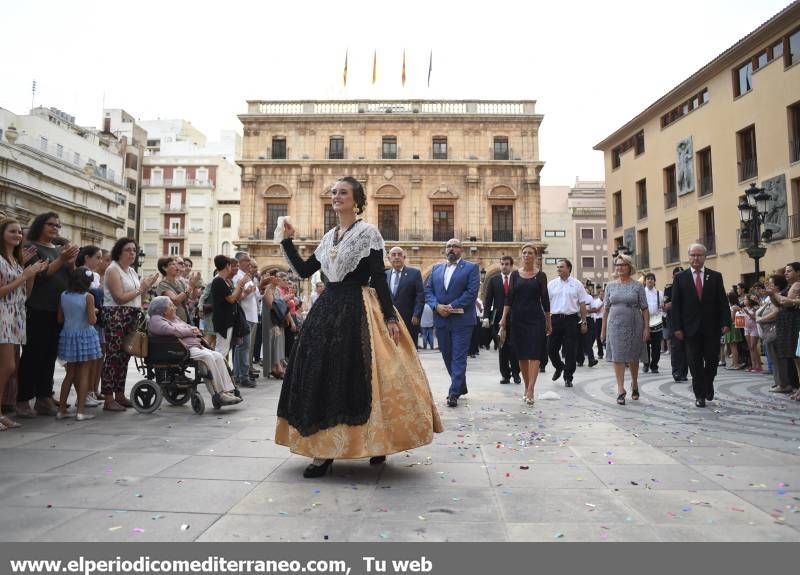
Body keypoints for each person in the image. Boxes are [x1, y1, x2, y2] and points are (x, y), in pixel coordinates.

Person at [276, 176, 442, 478]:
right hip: (327, 310)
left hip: (358, 308)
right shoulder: (328, 237)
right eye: (334, 192)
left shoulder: (369, 233)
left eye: (343, 192)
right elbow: (303, 271)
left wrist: (390, 317)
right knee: (322, 373)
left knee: (362, 374)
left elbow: (378, 277)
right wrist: (286, 240)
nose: (336, 196)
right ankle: (322, 450)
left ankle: (377, 442)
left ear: (356, 200)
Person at [17, 212, 80, 418]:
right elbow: (42, 275)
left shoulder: (56, 249)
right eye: (50, 224)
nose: (55, 228)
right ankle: (23, 399)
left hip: (58, 310)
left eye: (58, 226)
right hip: (38, 307)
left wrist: (70, 264)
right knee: (33, 355)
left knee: (49, 355)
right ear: (40, 226)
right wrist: (62, 258)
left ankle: (44, 397)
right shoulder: (30, 247)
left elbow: (70, 278)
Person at [147, 296, 242, 406]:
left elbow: (188, 328)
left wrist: (192, 330)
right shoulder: (156, 320)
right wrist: (190, 331)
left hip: (192, 347)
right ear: (162, 310)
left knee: (218, 356)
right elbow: (174, 331)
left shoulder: (174, 318)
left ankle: (227, 390)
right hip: (180, 350)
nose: (174, 307)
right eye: (171, 305)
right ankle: (218, 394)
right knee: (207, 357)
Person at [0, 219, 48, 430]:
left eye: (20, 232)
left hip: (16, 315)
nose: (18, 235)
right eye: (13, 231)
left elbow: (25, 294)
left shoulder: (15, 260)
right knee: (7, 367)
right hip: (3, 314)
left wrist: (31, 276)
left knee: (11, 369)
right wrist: (24, 275)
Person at [102, 238, 159, 411]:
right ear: (119, 251)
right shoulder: (113, 269)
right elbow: (119, 297)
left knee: (125, 356)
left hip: (131, 314)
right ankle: (108, 397)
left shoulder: (132, 271)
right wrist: (141, 289)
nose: (132, 253)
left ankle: (120, 394)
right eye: (128, 250)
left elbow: (136, 296)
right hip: (116, 315)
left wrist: (145, 288)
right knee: (113, 356)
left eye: (134, 250)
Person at [670, 243, 731, 408]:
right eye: (693, 255)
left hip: (712, 328)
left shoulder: (715, 276)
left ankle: (708, 382)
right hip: (690, 330)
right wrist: (676, 328)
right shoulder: (680, 278)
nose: (696, 258)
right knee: (694, 363)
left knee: (712, 360)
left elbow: (722, 302)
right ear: (689, 257)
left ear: (705, 257)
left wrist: (726, 322)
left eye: (699, 255)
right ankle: (700, 395)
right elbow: (675, 306)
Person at [425, 238, 480, 407]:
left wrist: (451, 306)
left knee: (458, 357)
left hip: (462, 321)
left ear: (461, 250)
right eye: (448, 246)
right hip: (441, 320)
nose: (451, 249)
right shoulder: (436, 269)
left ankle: (453, 393)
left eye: (455, 246)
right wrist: (436, 306)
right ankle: (460, 385)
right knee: (447, 355)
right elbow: (428, 291)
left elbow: (471, 292)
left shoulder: (471, 268)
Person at [498, 244, 551, 405]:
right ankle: (527, 386)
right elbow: (509, 299)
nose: (527, 255)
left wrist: (548, 322)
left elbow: (545, 300)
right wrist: (503, 319)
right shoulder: (515, 275)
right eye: (525, 253)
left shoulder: (541, 275)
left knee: (535, 353)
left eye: (530, 253)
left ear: (535, 256)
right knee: (521, 354)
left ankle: (531, 390)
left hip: (536, 318)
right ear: (521, 256)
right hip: (518, 318)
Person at [601, 255, 649, 405]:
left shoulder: (638, 286)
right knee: (618, 356)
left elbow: (645, 308)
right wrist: (603, 331)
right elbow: (606, 310)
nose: (620, 267)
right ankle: (621, 389)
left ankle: (634, 383)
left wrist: (646, 327)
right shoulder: (610, 286)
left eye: (623, 265)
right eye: (617, 265)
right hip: (615, 324)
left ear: (629, 267)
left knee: (633, 357)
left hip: (635, 323)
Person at [56, 267, 102, 420]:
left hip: (68, 336)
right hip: (85, 337)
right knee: (84, 374)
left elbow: (60, 319)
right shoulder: (88, 297)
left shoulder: (63, 295)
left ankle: (61, 410)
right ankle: (80, 411)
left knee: (69, 374)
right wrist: (94, 312)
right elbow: (91, 320)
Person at [547, 259, 589, 388]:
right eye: (558, 267)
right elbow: (546, 305)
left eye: (561, 267)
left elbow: (582, 304)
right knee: (551, 348)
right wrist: (546, 321)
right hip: (555, 319)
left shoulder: (577, 285)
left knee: (571, 350)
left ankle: (568, 377)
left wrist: (584, 322)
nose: (558, 269)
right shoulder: (551, 284)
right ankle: (559, 366)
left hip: (571, 320)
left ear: (569, 269)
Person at [483, 256, 521, 385]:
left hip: (515, 317)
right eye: (502, 264)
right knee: (502, 347)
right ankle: (505, 375)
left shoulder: (517, 279)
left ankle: (516, 373)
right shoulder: (494, 280)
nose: (504, 266)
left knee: (515, 347)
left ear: (511, 265)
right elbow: (488, 301)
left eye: (506, 264)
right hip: (499, 319)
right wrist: (486, 317)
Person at [76, 245, 105, 407]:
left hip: (95, 319)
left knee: (94, 358)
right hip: (86, 320)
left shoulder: (95, 275)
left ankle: (90, 391)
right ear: (87, 257)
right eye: (98, 257)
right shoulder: (82, 274)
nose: (100, 261)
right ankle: (85, 393)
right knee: (85, 360)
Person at [768, 262, 800, 398]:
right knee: (794, 358)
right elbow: (778, 303)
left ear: (798, 272)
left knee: (797, 358)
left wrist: (776, 294)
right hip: (787, 324)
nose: (786, 273)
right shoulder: (789, 286)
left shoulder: (797, 285)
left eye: (789, 271)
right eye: (785, 271)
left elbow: (786, 302)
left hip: (794, 324)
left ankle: (795, 386)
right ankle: (797, 388)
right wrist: (772, 295)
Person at [210, 255, 251, 361]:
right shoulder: (218, 281)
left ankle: (220, 375)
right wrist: (241, 284)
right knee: (221, 351)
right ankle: (217, 376)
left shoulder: (224, 281)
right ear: (227, 266)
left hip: (227, 319)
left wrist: (240, 286)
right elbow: (231, 299)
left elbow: (235, 298)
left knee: (224, 350)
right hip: (223, 320)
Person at [385, 247, 425, 348]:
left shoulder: (414, 273)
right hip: (389, 321)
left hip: (409, 321)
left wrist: (417, 314)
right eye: (393, 255)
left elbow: (420, 296)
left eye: (399, 255)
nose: (397, 257)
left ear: (404, 257)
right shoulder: (385, 275)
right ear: (389, 259)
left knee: (409, 351)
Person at [232, 252, 259, 386]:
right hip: (244, 315)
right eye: (248, 261)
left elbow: (256, 297)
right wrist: (247, 292)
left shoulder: (247, 277)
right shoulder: (238, 277)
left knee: (244, 347)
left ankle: (240, 375)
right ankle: (242, 376)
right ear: (240, 262)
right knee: (242, 347)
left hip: (251, 315)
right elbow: (236, 297)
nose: (250, 263)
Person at [663, 266, 688, 382]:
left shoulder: (689, 287)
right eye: (677, 275)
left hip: (687, 321)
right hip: (673, 321)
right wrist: (678, 301)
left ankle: (684, 372)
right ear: (673, 277)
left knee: (686, 348)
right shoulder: (669, 289)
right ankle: (676, 372)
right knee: (676, 347)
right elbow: (666, 306)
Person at [643, 273, 664, 374]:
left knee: (657, 346)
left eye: (652, 279)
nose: (650, 281)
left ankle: (654, 365)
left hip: (657, 322)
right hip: (644, 322)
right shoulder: (642, 292)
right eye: (648, 279)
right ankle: (646, 364)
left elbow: (662, 307)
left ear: (654, 281)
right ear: (645, 281)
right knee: (645, 345)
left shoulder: (660, 293)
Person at [576, 289, 598, 367]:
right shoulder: (575, 297)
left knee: (588, 340)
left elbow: (595, 309)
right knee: (578, 341)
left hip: (588, 319)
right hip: (577, 319)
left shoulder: (589, 297)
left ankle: (591, 359)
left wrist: (585, 311)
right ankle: (579, 360)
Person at [741, 291, 762, 373]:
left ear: (749, 300)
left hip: (754, 328)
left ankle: (759, 365)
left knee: (753, 346)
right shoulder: (743, 308)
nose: (744, 300)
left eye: (745, 299)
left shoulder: (755, 308)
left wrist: (748, 314)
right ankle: (753, 365)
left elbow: (755, 318)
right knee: (750, 347)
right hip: (746, 328)